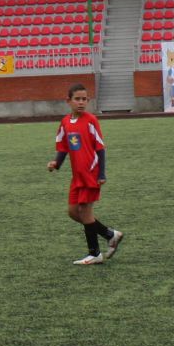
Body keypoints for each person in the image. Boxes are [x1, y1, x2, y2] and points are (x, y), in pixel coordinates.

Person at [48, 82, 124, 265]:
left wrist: (102, 173)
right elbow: (64, 147)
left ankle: (95, 253)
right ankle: (110, 235)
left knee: (85, 212)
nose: (81, 102)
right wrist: (56, 164)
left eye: (84, 99)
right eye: (77, 99)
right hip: (77, 176)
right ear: (68, 101)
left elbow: (100, 147)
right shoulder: (65, 122)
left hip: (91, 172)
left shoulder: (91, 120)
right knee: (74, 212)